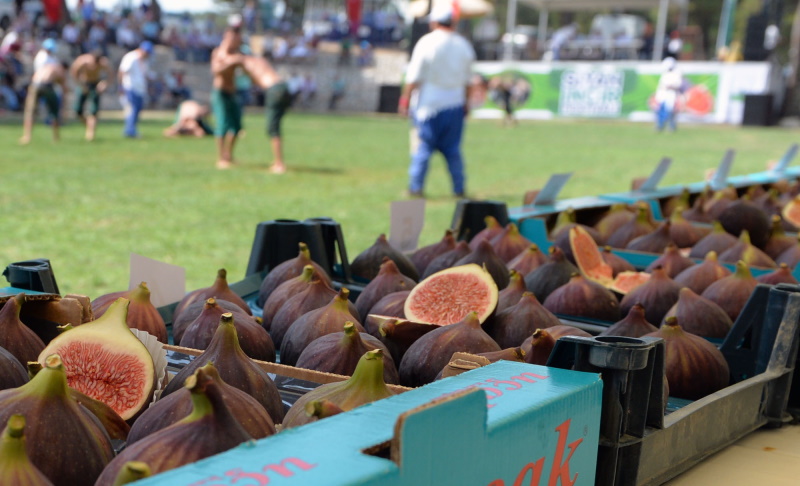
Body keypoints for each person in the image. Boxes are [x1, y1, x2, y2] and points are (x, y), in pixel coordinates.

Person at [398, 4, 475, 198]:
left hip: (428, 106)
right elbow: (469, 81)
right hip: (455, 104)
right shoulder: (463, 45)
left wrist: (405, 100)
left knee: (423, 147)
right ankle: (459, 189)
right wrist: (466, 104)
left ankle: (416, 187)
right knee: (453, 151)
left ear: (434, 22)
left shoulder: (427, 42)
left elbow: (413, 77)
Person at [243, 55, 294, 174]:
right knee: (276, 124)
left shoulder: (246, 62)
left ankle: (279, 163)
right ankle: (277, 161)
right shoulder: (260, 59)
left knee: (272, 128)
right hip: (283, 87)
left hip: (273, 90)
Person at [211, 20, 246, 169]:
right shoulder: (219, 53)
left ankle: (229, 155)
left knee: (236, 126)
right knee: (222, 125)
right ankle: (221, 158)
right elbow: (216, 70)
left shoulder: (238, 53)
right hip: (220, 93)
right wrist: (231, 62)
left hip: (233, 93)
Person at [20, 61, 67, 144]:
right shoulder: (58, 69)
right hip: (47, 86)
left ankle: (27, 136)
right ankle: (56, 136)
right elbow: (63, 87)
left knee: (30, 112)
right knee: (54, 112)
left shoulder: (45, 67)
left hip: (34, 85)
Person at [70, 49, 110, 141]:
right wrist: (80, 85)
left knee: (93, 110)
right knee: (78, 110)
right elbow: (74, 72)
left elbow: (111, 74)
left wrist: (104, 83)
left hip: (95, 84)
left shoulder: (103, 63)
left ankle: (91, 133)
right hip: (84, 83)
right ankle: (89, 126)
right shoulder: (82, 61)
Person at [118, 40, 153, 138]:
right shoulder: (131, 57)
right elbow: (122, 71)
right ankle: (129, 130)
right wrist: (120, 86)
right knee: (132, 109)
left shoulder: (144, 61)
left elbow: (145, 74)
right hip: (130, 87)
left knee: (137, 110)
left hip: (140, 89)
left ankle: (132, 129)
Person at [654, 57, 683, 133]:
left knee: (670, 111)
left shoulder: (677, 73)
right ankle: (660, 126)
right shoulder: (665, 73)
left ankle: (671, 127)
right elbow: (662, 85)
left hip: (671, 95)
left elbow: (678, 84)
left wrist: (670, 86)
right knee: (660, 111)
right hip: (663, 95)